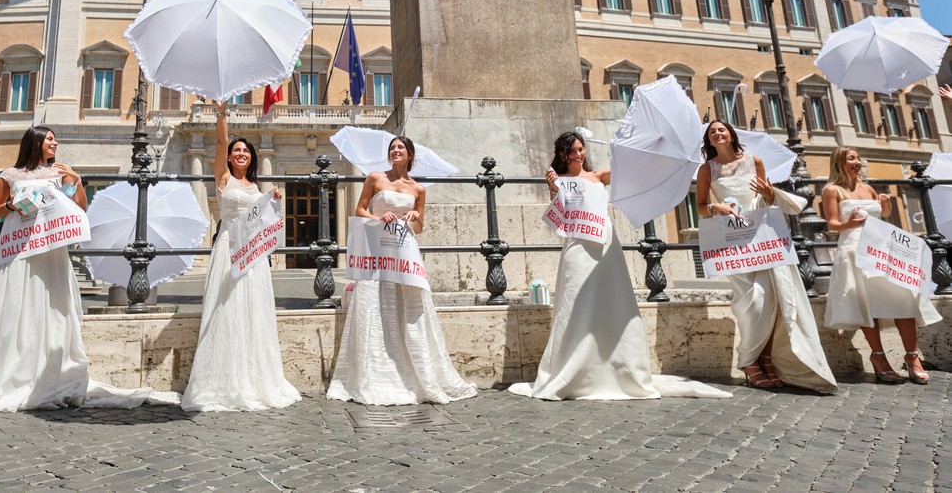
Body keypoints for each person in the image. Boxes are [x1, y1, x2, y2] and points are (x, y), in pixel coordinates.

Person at [509, 130, 730, 401]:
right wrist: (555, 189)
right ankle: (572, 369)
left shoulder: (597, 176)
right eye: (573, 151)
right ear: (563, 155)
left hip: (604, 241)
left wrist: (649, 151)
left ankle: (615, 366)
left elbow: (627, 173)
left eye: (582, 149)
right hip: (578, 244)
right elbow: (560, 215)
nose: (579, 154)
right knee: (574, 299)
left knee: (611, 298)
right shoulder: (559, 181)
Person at [0, 126, 176, 411]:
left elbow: (79, 207)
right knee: (17, 307)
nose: (56, 143)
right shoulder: (10, 175)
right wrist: (11, 204)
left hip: (50, 250)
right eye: (50, 139)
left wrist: (76, 181)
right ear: (35, 142)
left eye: (55, 139)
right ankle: (13, 375)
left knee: (51, 310)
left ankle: (48, 376)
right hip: (18, 246)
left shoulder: (61, 173)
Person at [327, 136, 477, 406]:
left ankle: (411, 372)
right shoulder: (375, 178)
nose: (396, 151)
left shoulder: (418, 189)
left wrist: (416, 218)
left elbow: (419, 228)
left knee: (407, 307)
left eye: (401, 148)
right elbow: (359, 210)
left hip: (404, 252)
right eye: (392, 148)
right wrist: (378, 217)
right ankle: (373, 374)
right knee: (375, 306)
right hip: (377, 250)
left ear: (410, 156)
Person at [696, 121, 837, 392]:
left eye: (721, 130)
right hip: (733, 240)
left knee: (773, 298)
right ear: (709, 140)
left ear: (731, 134)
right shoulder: (707, 169)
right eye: (712, 132)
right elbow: (701, 207)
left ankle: (767, 360)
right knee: (752, 301)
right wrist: (716, 206)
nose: (717, 133)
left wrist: (768, 193)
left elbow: (770, 199)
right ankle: (750, 361)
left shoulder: (754, 160)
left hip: (762, 236)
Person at [180, 104, 300, 412]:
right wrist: (222, 114)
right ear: (230, 157)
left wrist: (272, 200)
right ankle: (223, 378)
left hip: (254, 254)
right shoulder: (223, 179)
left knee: (252, 311)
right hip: (229, 248)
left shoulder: (257, 186)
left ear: (252, 157)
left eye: (246, 151)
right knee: (226, 309)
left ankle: (253, 376)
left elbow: (264, 221)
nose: (241, 154)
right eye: (237, 151)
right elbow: (220, 143)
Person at [822, 146, 940, 384]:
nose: (857, 162)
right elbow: (833, 223)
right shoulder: (831, 190)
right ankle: (879, 358)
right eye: (851, 158)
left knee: (903, 298)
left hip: (880, 248)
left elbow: (883, 214)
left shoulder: (867, 187)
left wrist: (885, 203)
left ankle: (912, 356)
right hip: (854, 249)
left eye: (858, 158)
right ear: (839, 163)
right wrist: (853, 223)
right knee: (868, 306)